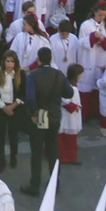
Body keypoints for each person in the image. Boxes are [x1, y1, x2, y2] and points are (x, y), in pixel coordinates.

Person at [23, 47, 70, 195]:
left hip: (39, 117)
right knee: (53, 150)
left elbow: (30, 97)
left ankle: (34, 185)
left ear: (38, 60)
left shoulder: (33, 76)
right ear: (51, 59)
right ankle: (55, 181)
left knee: (36, 152)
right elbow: (69, 93)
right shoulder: (59, 75)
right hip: (54, 116)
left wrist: (33, 112)